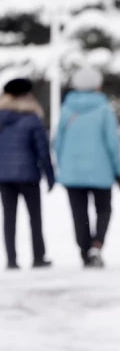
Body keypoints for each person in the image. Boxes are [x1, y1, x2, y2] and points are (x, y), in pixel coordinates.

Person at [54, 67, 120, 268]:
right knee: (103, 209)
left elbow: (58, 143)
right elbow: (112, 143)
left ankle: (84, 251)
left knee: (79, 213)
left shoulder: (66, 110)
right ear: (97, 86)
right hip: (100, 171)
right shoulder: (104, 109)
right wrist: (117, 170)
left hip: (72, 172)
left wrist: (63, 164)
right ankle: (97, 244)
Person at [0, 78, 54, 270]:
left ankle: (11, 259)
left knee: (9, 217)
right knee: (34, 217)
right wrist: (50, 174)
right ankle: (38, 257)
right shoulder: (32, 118)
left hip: (4, 176)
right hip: (29, 175)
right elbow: (42, 150)